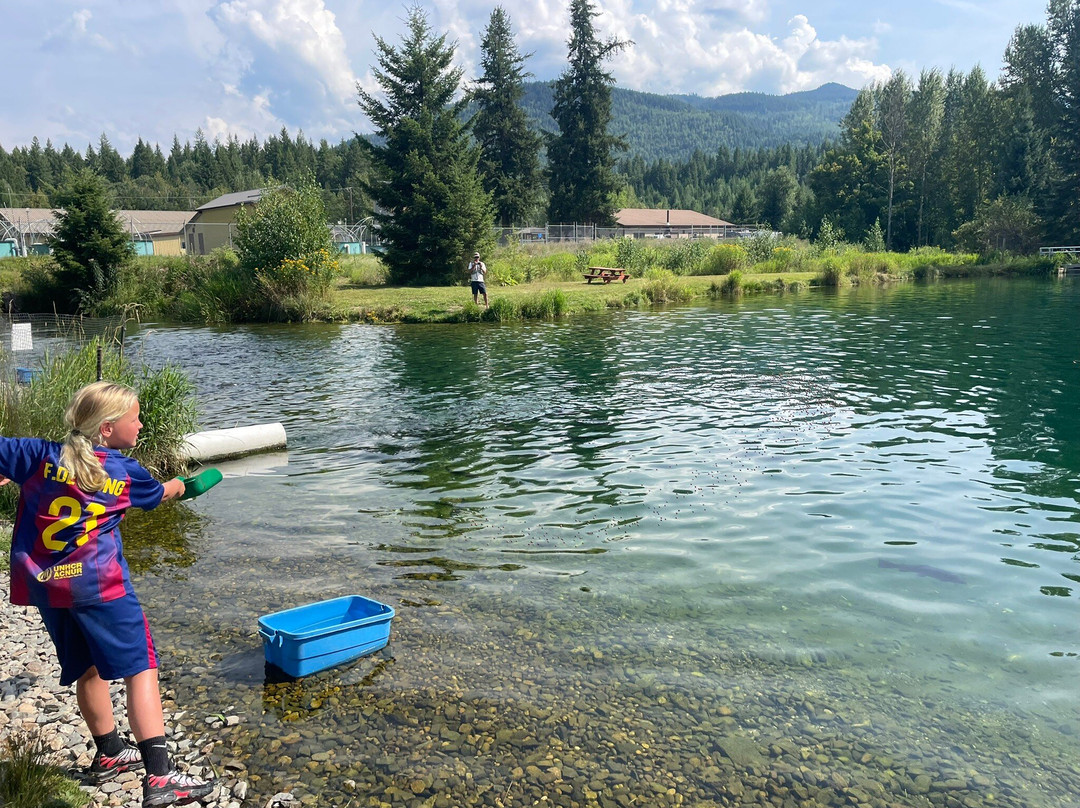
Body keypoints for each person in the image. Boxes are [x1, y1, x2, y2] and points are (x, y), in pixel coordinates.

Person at [0, 381, 215, 808]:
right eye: (135, 418)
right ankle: (161, 779)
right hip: (100, 585)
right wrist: (187, 486)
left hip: (49, 585)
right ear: (107, 429)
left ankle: (111, 753)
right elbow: (161, 494)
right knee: (141, 668)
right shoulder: (125, 471)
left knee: (89, 668)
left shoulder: (34, 455)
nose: (141, 424)